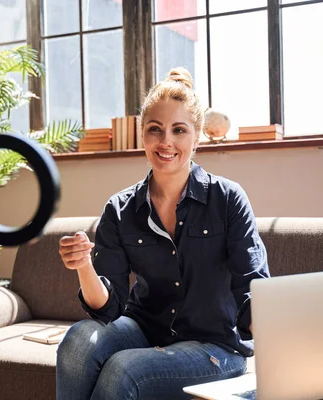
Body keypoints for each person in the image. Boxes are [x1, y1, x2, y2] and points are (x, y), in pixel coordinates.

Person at [56, 67, 270, 400]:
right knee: (77, 342)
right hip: (145, 329)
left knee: (123, 370)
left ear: (196, 136)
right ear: (144, 136)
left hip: (214, 346)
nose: (166, 141)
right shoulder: (120, 208)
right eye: (155, 129)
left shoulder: (227, 199)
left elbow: (252, 289)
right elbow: (107, 308)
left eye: (179, 130)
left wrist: (282, 350)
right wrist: (83, 266)